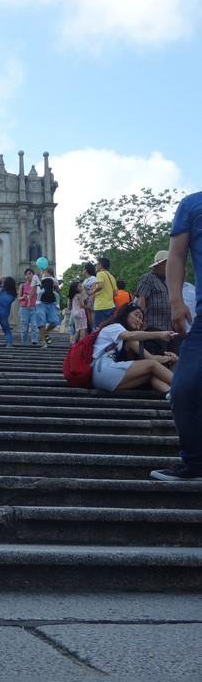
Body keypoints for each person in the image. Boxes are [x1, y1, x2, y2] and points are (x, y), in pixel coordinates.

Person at [151, 191, 202, 482]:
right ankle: (195, 462)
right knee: (182, 389)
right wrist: (175, 301)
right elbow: (177, 255)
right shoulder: (192, 205)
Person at [91, 302, 176, 394]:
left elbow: (151, 358)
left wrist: (170, 358)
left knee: (150, 374)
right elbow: (131, 336)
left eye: (141, 318)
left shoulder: (127, 339)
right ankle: (183, 387)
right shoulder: (115, 327)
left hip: (104, 377)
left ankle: (171, 395)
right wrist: (160, 335)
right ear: (125, 314)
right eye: (136, 315)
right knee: (152, 365)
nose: (139, 320)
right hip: (102, 369)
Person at [135, 250, 172, 354]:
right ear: (161, 264)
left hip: (167, 327)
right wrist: (140, 324)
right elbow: (141, 301)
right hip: (152, 327)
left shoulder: (166, 280)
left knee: (168, 357)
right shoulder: (148, 278)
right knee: (156, 357)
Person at [35, 267, 60, 348]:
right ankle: (43, 342)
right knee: (41, 320)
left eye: (45, 272)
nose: (44, 273)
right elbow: (39, 287)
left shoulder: (53, 279)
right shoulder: (42, 278)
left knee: (55, 321)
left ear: (49, 273)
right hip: (41, 302)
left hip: (51, 302)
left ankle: (44, 333)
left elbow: (57, 291)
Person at [91, 256, 118, 326]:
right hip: (111, 306)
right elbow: (115, 293)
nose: (96, 266)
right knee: (108, 328)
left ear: (100, 265)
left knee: (98, 329)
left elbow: (100, 286)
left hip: (101, 306)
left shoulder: (100, 273)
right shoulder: (111, 276)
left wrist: (93, 292)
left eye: (97, 264)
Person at [18, 268, 39, 346]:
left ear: (33, 275)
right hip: (24, 307)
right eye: (27, 274)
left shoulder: (37, 286)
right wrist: (23, 297)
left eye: (30, 274)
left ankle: (34, 341)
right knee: (24, 325)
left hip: (34, 307)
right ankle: (24, 342)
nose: (28, 275)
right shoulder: (22, 285)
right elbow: (19, 298)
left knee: (34, 325)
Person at [82, 262, 98, 332]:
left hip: (92, 301)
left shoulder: (93, 278)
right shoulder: (85, 280)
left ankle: (93, 333)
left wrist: (90, 302)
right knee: (89, 320)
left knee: (92, 319)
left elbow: (94, 290)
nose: (82, 271)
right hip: (86, 301)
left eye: (83, 269)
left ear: (86, 270)